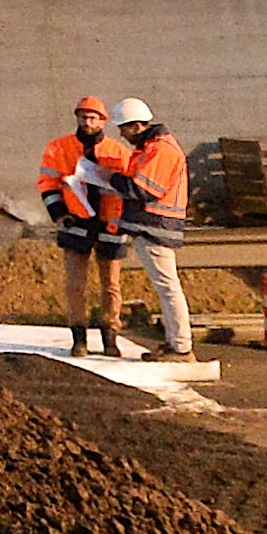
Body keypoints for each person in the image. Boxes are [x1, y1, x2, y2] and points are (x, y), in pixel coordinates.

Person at [34, 92, 133, 354]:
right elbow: (48, 184)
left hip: (110, 226)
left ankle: (110, 336)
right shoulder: (58, 148)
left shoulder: (119, 152)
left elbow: (130, 189)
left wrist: (124, 222)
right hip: (75, 224)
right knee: (75, 285)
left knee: (111, 285)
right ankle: (79, 338)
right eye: (83, 117)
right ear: (77, 118)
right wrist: (59, 214)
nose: (87, 122)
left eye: (93, 118)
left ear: (103, 122)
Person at [110, 97, 192, 356]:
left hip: (156, 227)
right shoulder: (153, 148)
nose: (122, 135)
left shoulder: (160, 149)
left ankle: (180, 348)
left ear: (135, 125)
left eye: (123, 128)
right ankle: (175, 343)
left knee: (169, 289)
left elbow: (144, 189)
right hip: (155, 227)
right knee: (167, 288)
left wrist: (108, 178)